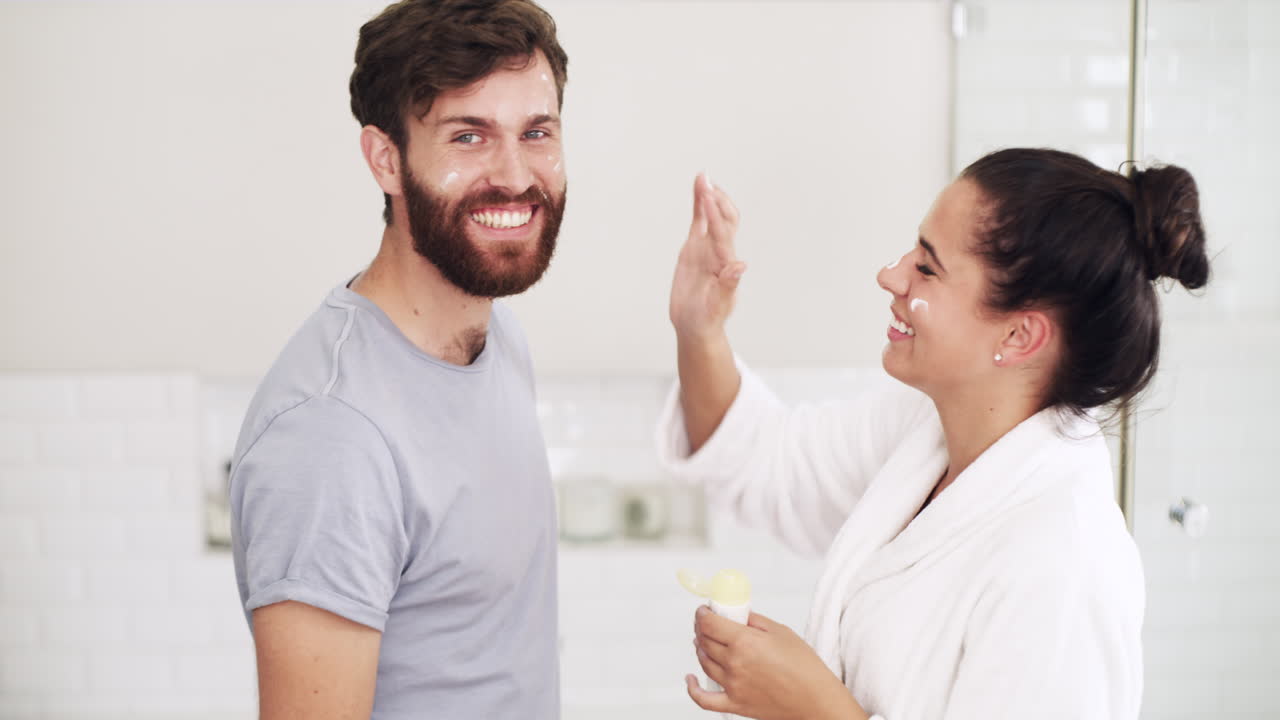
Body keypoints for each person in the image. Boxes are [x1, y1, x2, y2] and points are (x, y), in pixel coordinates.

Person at [660, 150, 1210, 720]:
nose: (890, 275)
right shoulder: (928, 431)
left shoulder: (1068, 562)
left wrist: (812, 708)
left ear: (1020, 335)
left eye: (927, 267)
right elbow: (767, 463)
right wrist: (699, 331)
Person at [228, 1, 569, 718]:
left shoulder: (498, 337)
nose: (515, 174)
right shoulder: (330, 436)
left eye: (536, 132)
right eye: (468, 136)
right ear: (387, 159)